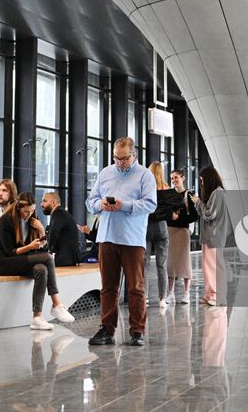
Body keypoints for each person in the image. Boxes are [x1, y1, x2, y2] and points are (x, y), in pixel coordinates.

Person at [85, 137, 157, 346]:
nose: (119, 163)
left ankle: (137, 331)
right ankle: (107, 329)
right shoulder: (105, 173)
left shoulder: (145, 175)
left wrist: (123, 205)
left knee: (135, 287)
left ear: (133, 155)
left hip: (132, 239)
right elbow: (91, 201)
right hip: (106, 237)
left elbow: (150, 205)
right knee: (108, 287)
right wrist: (100, 204)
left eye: (123, 159)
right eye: (116, 158)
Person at [0, 192, 77, 330]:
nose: (29, 214)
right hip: (6, 262)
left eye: (32, 211)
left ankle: (37, 317)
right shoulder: (6, 220)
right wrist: (29, 247)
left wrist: (40, 231)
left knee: (41, 269)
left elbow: (42, 248)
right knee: (48, 258)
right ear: (18, 208)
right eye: (26, 211)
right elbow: (9, 252)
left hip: (22, 260)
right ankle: (56, 304)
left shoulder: (32, 220)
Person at [196, 166, 230, 307]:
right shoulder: (215, 194)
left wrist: (198, 203)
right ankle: (210, 294)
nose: (201, 183)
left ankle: (217, 296)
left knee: (215, 267)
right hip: (209, 236)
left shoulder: (219, 194)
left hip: (214, 236)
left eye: (202, 180)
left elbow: (210, 214)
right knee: (207, 267)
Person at [165, 170, 198, 303]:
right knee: (171, 263)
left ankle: (186, 293)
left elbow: (194, 215)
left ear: (183, 178)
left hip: (183, 231)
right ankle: (170, 293)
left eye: (176, 177)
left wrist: (179, 217)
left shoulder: (188, 194)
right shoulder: (169, 194)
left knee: (185, 261)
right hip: (170, 231)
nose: (174, 180)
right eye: (172, 178)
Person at [145, 163, 171, 305]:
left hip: (146, 228)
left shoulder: (145, 188)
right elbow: (171, 213)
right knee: (162, 265)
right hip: (161, 228)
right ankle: (162, 298)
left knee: (144, 265)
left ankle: (145, 297)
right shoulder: (166, 189)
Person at [41, 191, 84, 267]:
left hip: (65, 259)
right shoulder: (61, 213)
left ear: (53, 203)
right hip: (67, 258)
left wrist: (48, 250)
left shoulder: (59, 213)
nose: (41, 204)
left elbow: (54, 232)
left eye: (44, 201)